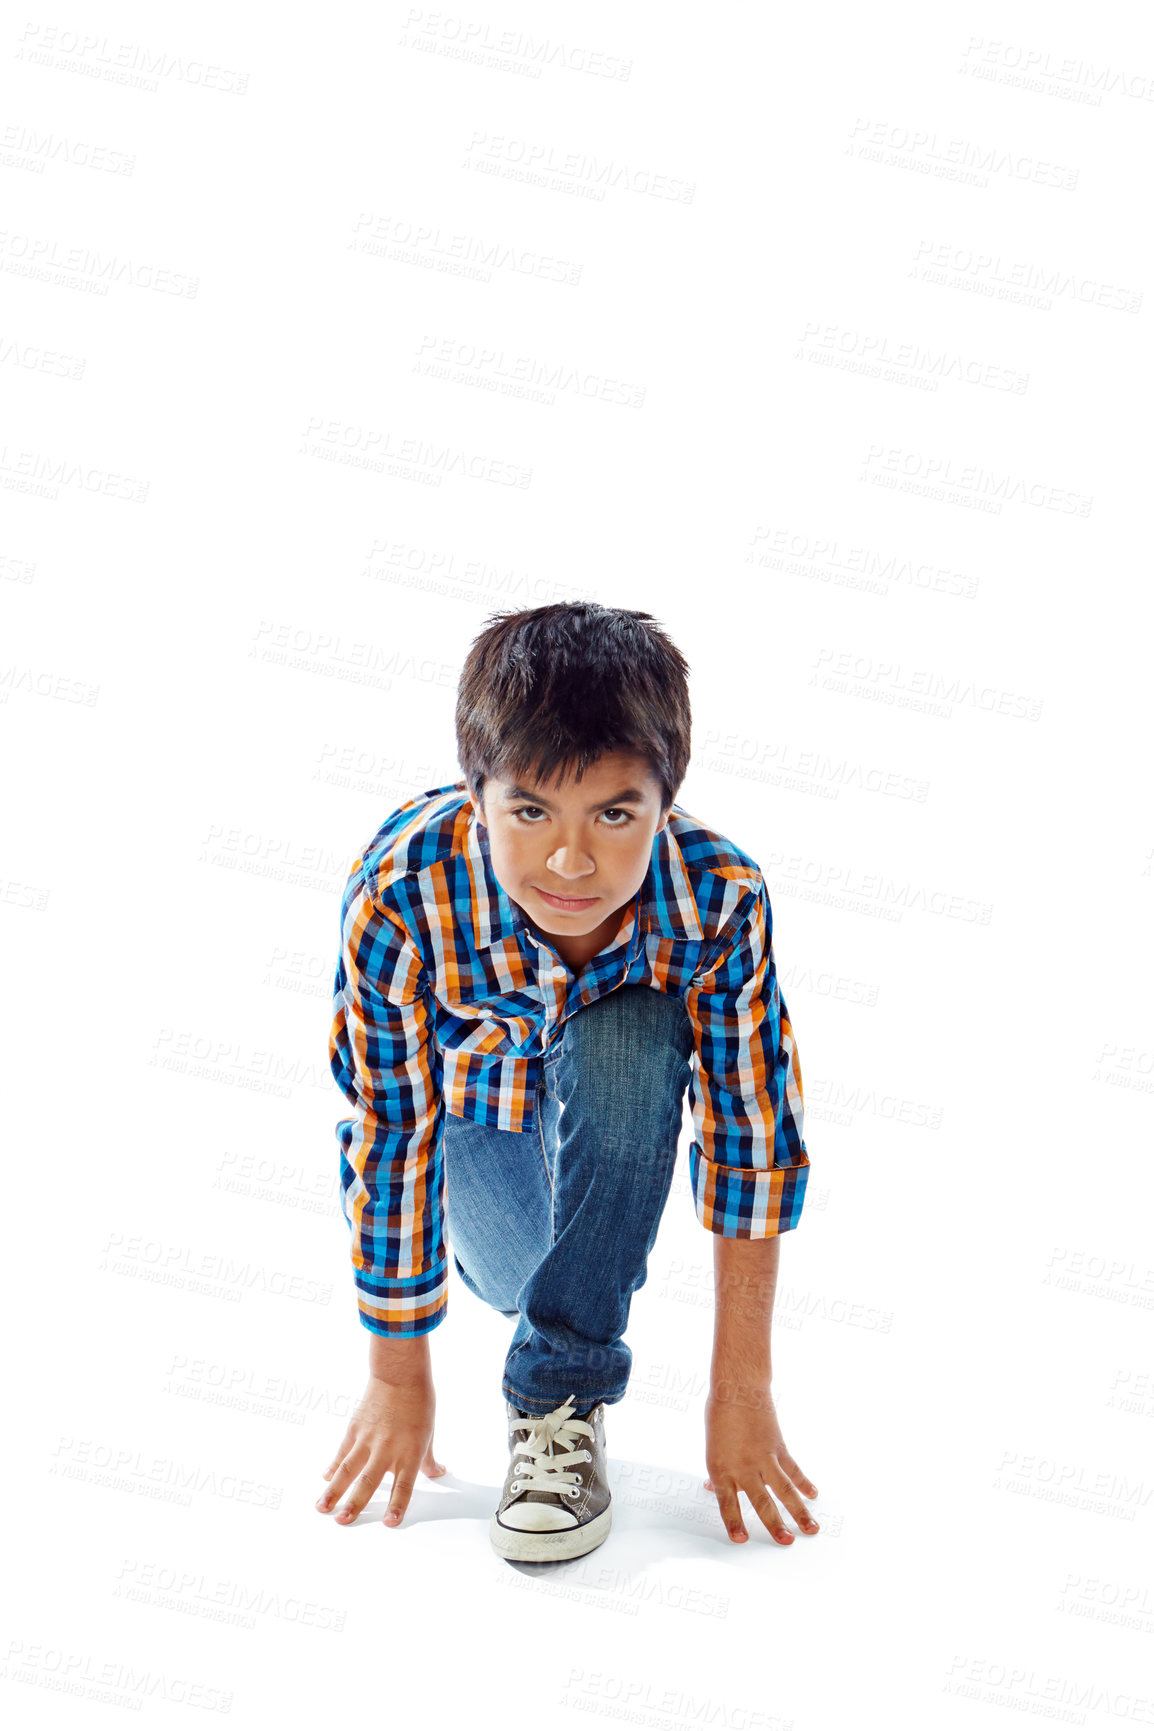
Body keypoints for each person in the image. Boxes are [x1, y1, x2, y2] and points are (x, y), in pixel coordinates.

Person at [315, 603, 820, 1560]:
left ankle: (558, 1401)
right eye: (532, 811)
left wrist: (741, 1390)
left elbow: (754, 1137)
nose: (571, 860)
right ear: (479, 799)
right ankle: (564, 1279)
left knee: (629, 1030)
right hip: (484, 1140)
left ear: (665, 805)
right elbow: (389, 1124)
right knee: (519, 1276)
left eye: (616, 814)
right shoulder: (400, 889)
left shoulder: (720, 898)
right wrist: (396, 1373)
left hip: (611, 1119)